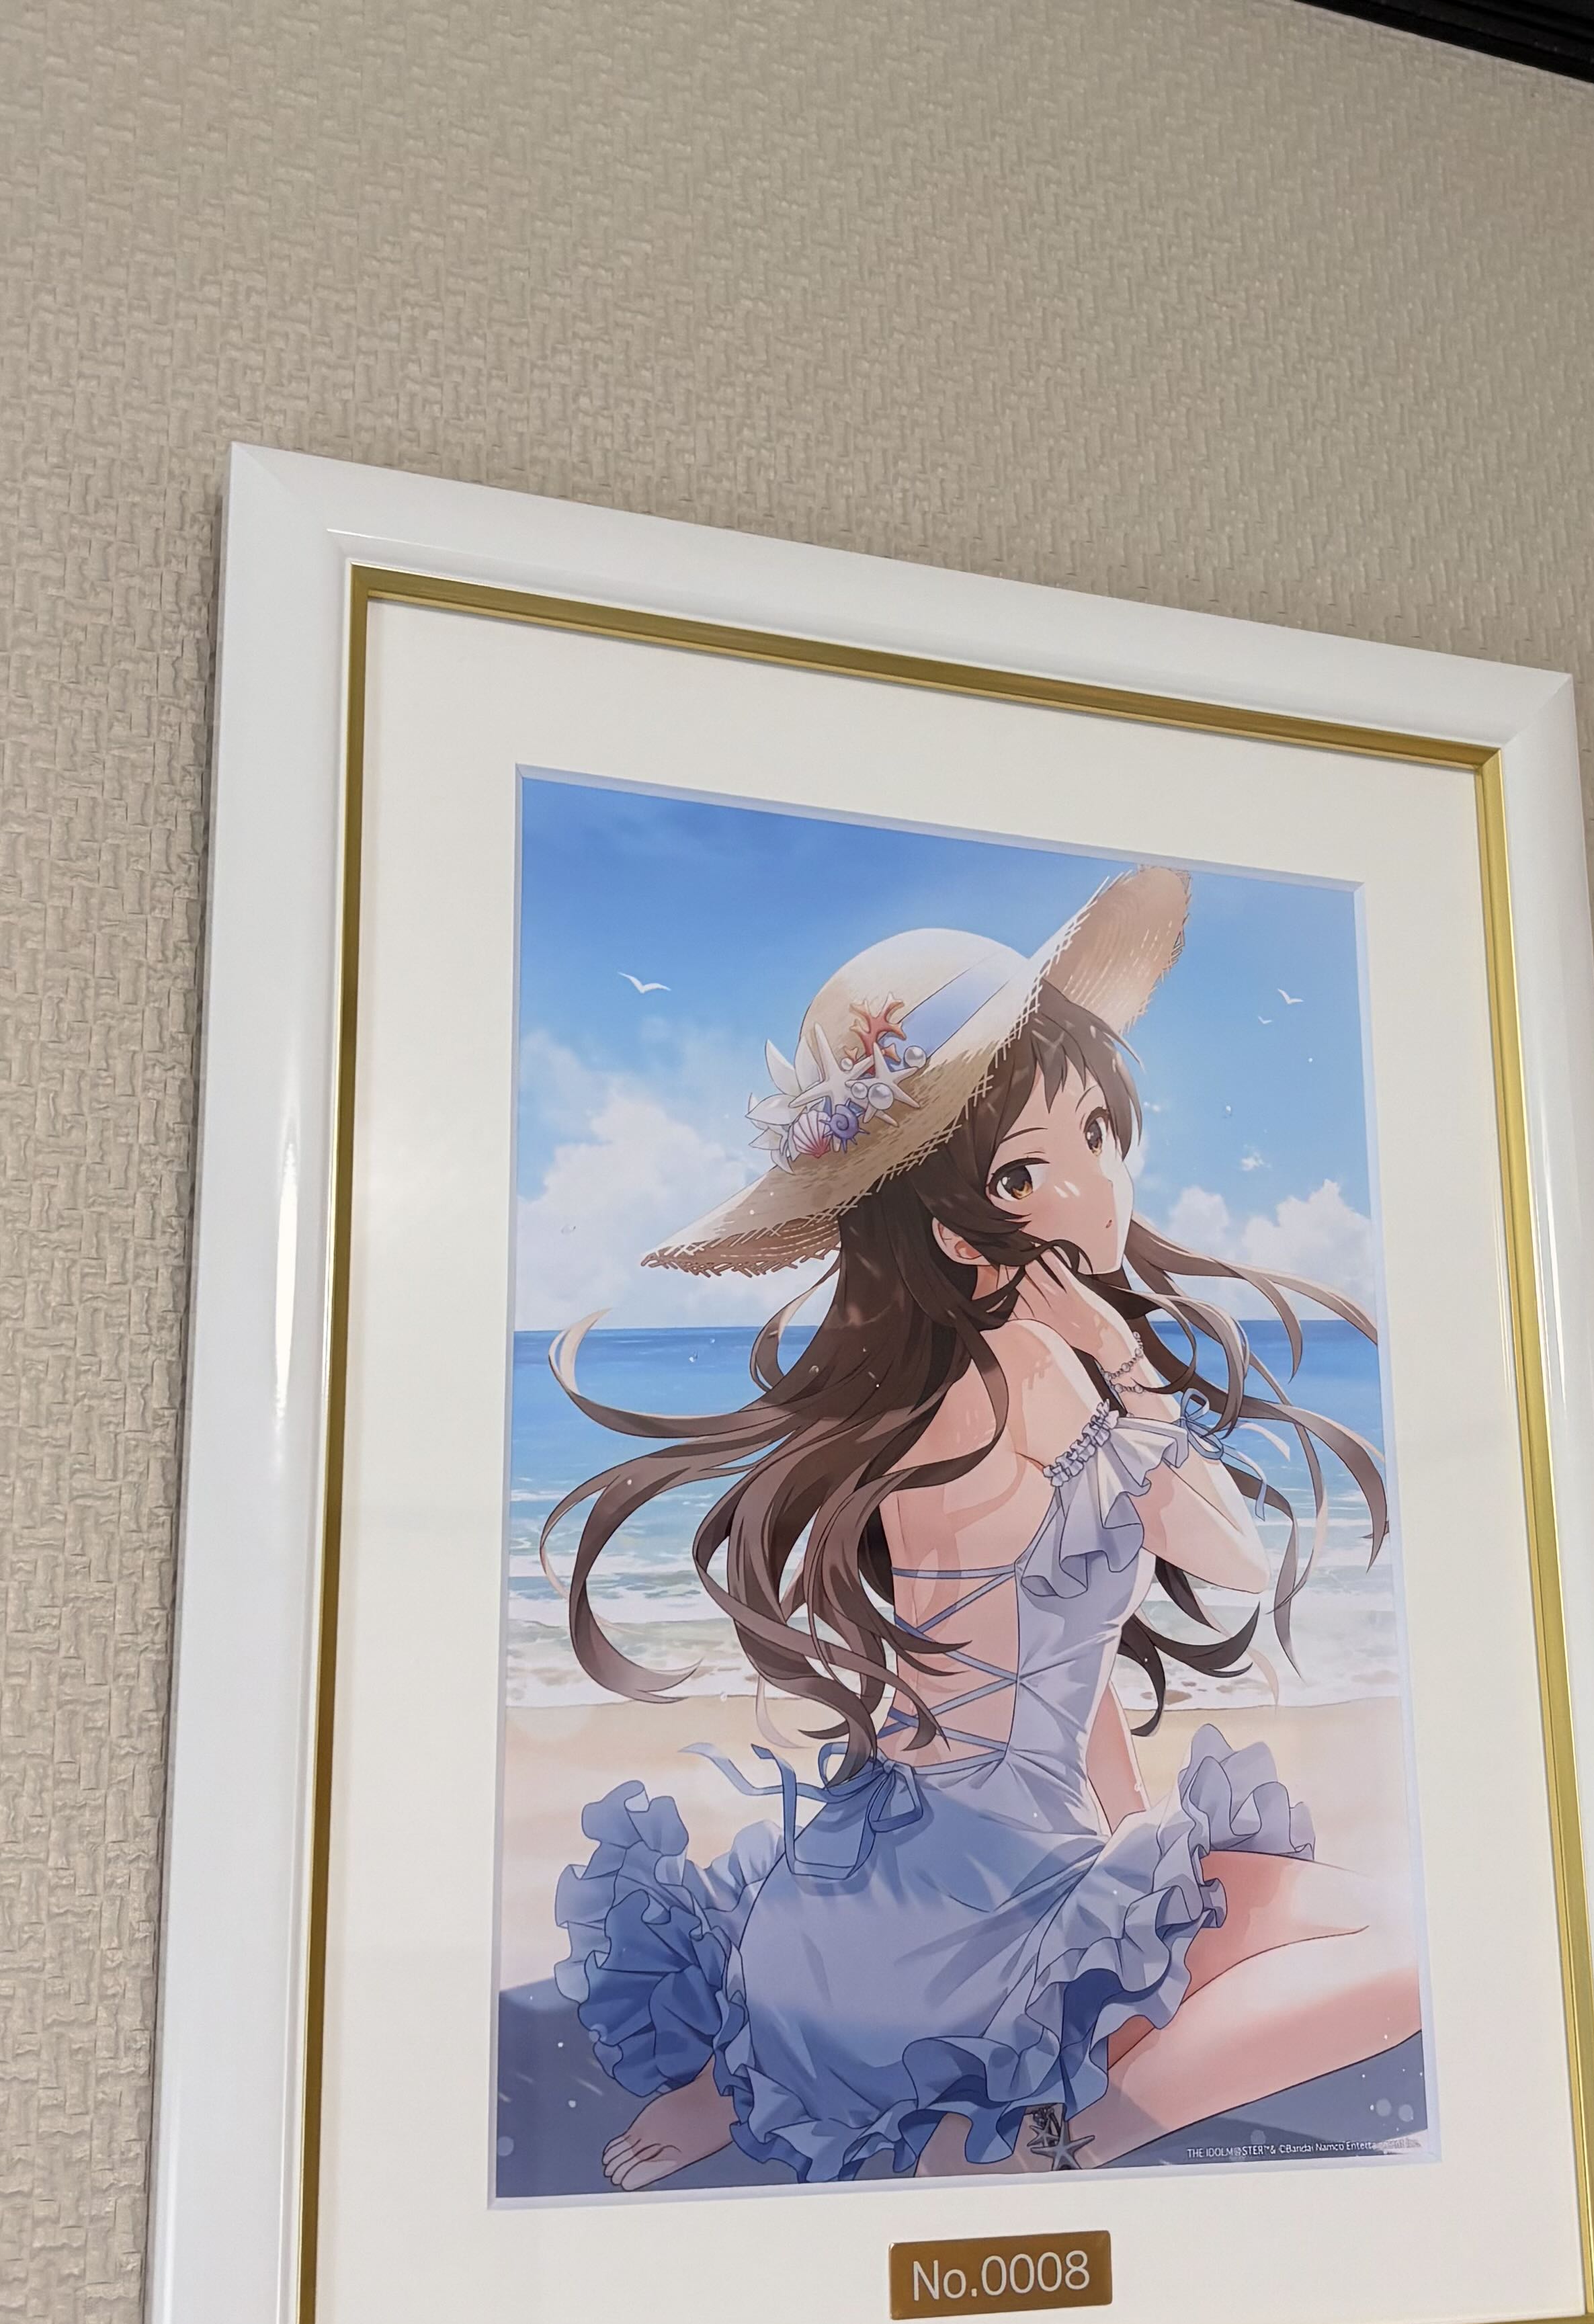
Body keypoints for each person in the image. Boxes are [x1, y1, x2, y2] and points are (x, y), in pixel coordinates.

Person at [544, 865, 1421, 2186]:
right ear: (958, 1231)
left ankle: (769, 2075)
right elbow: (1231, 1560)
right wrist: (1124, 1368)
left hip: (854, 1912)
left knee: (1208, 1919)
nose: (1097, 1186)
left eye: (1097, 1133)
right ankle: (1058, 2143)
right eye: (1030, 1167)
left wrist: (1133, 1868)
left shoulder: (938, 1381)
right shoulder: (1035, 1374)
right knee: (1404, 1951)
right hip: (976, 1916)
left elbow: (1060, 1656)